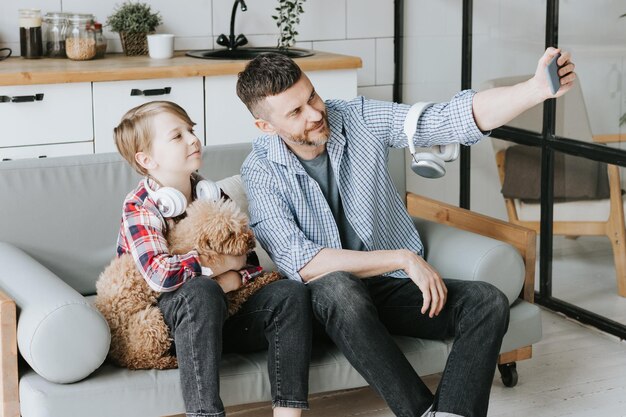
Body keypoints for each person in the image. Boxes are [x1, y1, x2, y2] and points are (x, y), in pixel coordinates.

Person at [237, 49, 576, 417]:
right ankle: (417, 410)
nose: (317, 114)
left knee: (488, 303)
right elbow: (302, 262)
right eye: (296, 112)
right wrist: (402, 257)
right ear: (266, 126)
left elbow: (449, 118)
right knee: (338, 287)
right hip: (325, 305)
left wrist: (534, 89)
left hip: (386, 287)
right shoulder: (260, 170)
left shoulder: (356, 116)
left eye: (312, 96)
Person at [112, 100, 312, 417]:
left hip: (221, 316)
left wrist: (231, 274)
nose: (193, 139)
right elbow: (161, 276)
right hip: (172, 328)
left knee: (291, 293)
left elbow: (247, 263)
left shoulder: (210, 193)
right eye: (176, 136)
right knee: (200, 291)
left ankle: (287, 412)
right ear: (146, 159)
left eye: (190, 130)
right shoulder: (140, 206)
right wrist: (220, 270)